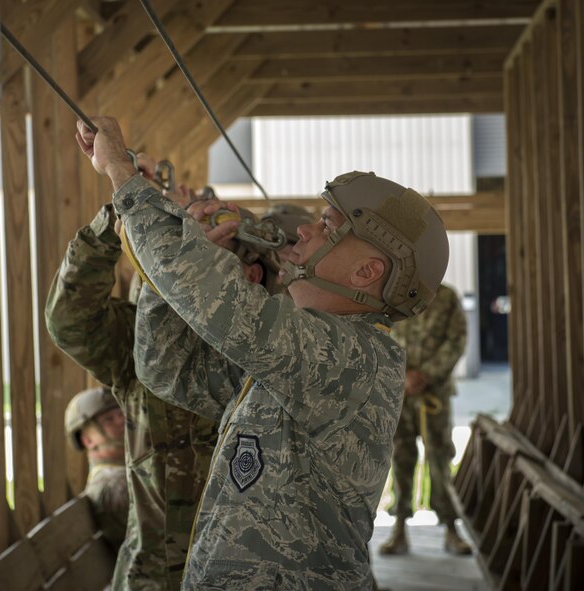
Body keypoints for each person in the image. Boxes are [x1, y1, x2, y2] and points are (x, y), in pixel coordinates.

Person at [74, 116, 449, 590]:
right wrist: (162, 286)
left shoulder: (351, 358)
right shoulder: (310, 357)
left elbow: (211, 296)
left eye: (327, 224)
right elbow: (169, 370)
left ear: (366, 271)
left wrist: (123, 178)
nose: (306, 233)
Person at [46, 154, 219, 590]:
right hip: (158, 576)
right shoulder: (134, 341)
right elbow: (69, 319)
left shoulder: (255, 332)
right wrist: (121, 212)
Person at [379, 283, 472, 556]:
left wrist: (426, 374)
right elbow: (380, 336)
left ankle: (451, 529)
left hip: (434, 395)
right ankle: (399, 528)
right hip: (400, 393)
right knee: (400, 459)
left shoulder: (445, 297)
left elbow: (457, 339)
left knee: (439, 458)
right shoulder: (391, 295)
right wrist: (404, 376)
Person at [65, 387, 129, 551]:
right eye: (109, 420)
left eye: (120, 414)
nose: (121, 420)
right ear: (88, 441)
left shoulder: (124, 475)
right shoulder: (113, 485)